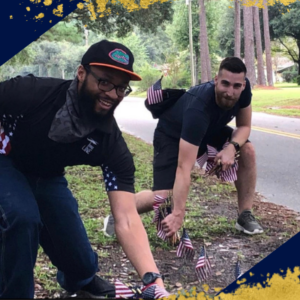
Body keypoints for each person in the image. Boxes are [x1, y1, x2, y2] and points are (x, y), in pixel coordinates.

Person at [0, 40, 167, 299]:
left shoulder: (110, 143)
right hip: (5, 162)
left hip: (47, 176)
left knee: (82, 265)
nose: (113, 94)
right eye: (105, 82)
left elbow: (125, 218)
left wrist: (153, 283)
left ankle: (80, 281)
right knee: (22, 218)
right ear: (81, 74)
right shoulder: (32, 92)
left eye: (121, 88)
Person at [104, 56, 263, 238]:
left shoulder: (244, 90)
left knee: (247, 150)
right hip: (172, 134)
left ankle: (245, 215)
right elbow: (184, 168)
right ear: (216, 80)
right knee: (163, 196)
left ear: (243, 85)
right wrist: (178, 213)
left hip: (211, 130)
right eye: (225, 84)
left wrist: (231, 148)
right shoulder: (199, 109)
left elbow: (244, 126)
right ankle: (119, 213)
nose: (230, 91)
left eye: (236, 86)